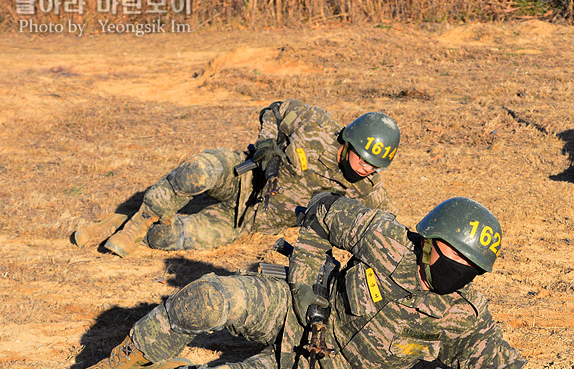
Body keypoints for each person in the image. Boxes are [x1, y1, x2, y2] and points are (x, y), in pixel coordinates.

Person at [52, 194, 534, 369]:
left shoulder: (464, 319)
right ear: (428, 239)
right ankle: (114, 367)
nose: (454, 266)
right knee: (208, 297)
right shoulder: (385, 237)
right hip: (295, 309)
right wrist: (304, 282)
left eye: (466, 264)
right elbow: (324, 210)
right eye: (448, 250)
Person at [73, 101, 400, 256]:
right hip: (244, 177)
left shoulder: (367, 189)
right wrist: (267, 145)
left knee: (167, 239)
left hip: (245, 220)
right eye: (362, 158)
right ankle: (137, 222)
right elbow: (273, 111)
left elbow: (388, 228)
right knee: (198, 171)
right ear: (348, 142)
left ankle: (115, 224)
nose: (366, 168)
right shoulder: (316, 123)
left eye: (374, 165)